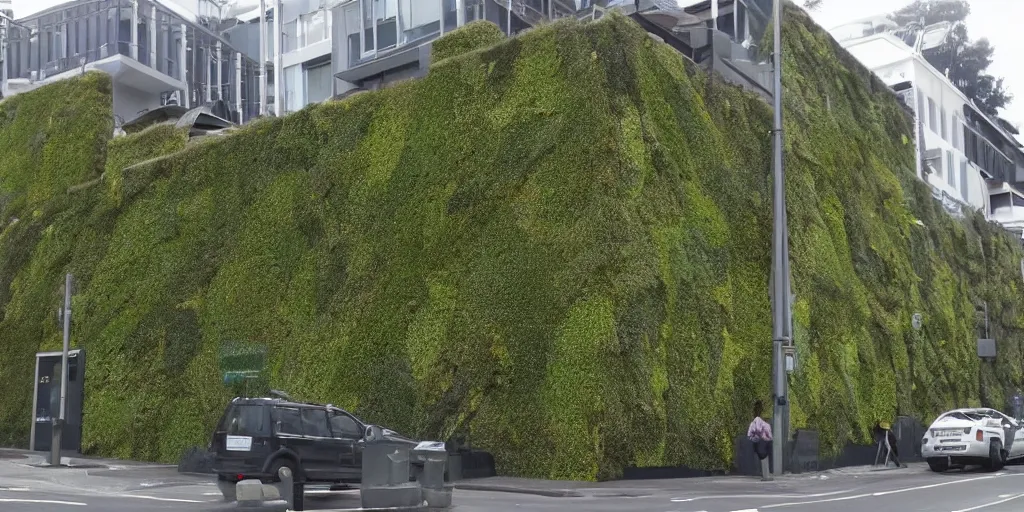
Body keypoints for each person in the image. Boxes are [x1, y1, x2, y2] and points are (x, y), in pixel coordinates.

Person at [748, 400, 773, 481]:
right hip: (762, 441)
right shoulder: (759, 420)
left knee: (763, 457)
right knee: (764, 457)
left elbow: (751, 433)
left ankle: (765, 475)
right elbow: (759, 430)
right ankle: (766, 476)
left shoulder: (756, 420)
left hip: (759, 441)